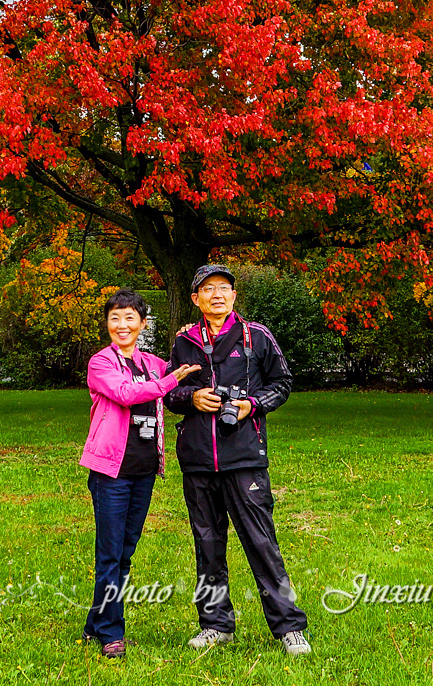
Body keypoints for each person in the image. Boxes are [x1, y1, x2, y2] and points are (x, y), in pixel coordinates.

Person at [164, 264, 312, 656]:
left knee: (262, 543)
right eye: (208, 289)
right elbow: (168, 391)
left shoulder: (257, 336)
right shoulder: (184, 342)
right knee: (207, 544)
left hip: (245, 455)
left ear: (233, 296)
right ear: (195, 299)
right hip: (197, 458)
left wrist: (251, 404)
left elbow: (282, 384)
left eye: (224, 288)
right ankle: (215, 625)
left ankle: (289, 629)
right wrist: (192, 398)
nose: (217, 295)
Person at [77, 289, 201, 659]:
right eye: (115, 318)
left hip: (144, 470)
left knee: (124, 553)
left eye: (130, 318)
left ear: (143, 324)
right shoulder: (101, 363)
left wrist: (187, 335)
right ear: (107, 324)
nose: (122, 325)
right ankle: (112, 634)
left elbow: (185, 366)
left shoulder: (152, 362)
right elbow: (126, 394)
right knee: (110, 555)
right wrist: (169, 382)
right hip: (111, 473)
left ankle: (94, 624)